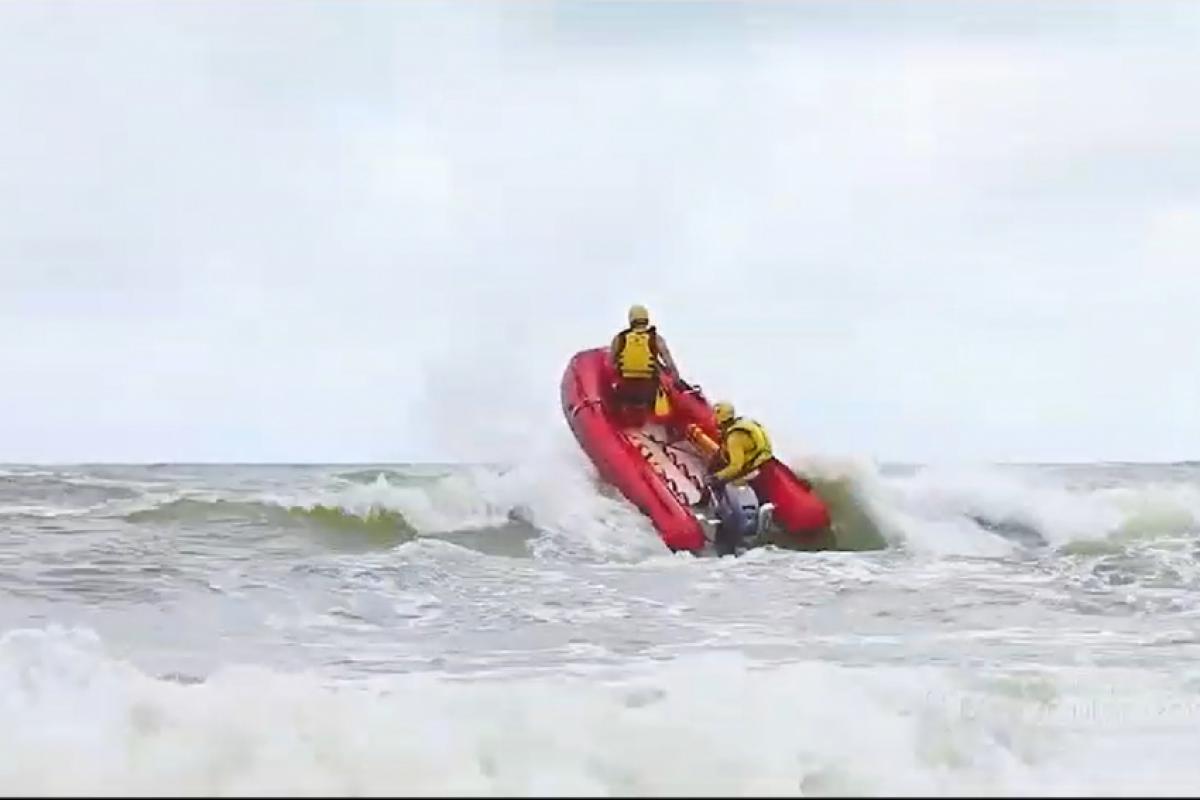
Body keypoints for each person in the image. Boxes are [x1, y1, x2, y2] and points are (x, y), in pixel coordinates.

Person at [704, 401, 775, 553]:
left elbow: (736, 466)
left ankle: (722, 525)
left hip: (752, 469)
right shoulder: (744, 425)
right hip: (762, 463)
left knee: (717, 484)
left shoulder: (734, 438)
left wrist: (717, 477)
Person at [608, 304, 679, 414]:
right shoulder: (656, 339)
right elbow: (670, 365)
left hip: (625, 389)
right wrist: (675, 381)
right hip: (648, 390)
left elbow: (610, 363)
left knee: (619, 400)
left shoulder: (620, 339)